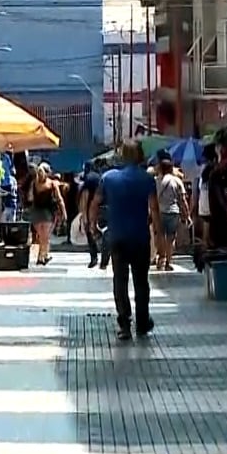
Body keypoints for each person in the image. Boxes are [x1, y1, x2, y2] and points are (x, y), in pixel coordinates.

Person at [90, 140, 161, 341]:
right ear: (140, 155)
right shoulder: (147, 179)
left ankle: (124, 324)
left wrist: (92, 225)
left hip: (117, 237)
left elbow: (95, 203)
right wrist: (159, 232)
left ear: (121, 155)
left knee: (119, 281)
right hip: (140, 237)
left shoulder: (108, 178)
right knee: (141, 282)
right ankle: (142, 322)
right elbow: (154, 209)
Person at [29, 162, 66, 266]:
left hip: (36, 213)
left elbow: (30, 198)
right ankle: (41, 257)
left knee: (41, 236)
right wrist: (64, 212)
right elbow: (59, 199)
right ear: (48, 172)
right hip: (47, 213)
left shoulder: (34, 183)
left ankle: (43, 256)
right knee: (45, 237)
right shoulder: (52, 183)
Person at [156, 158, 189, 271]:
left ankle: (161, 258)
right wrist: (187, 214)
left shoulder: (156, 181)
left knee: (160, 236)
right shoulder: (177, 181)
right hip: (173, 212)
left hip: (159, 212)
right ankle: (168, 262)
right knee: (171, 238)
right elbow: (182, 200)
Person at [79, 162, 105, 269]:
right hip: (103, 210)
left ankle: (94, 257)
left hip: (91, 209)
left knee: (90, 234)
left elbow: (85, 197)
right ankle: (104, 258)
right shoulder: (101, 177)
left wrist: (84, 215)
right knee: (103, 234)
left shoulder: (88, 179)